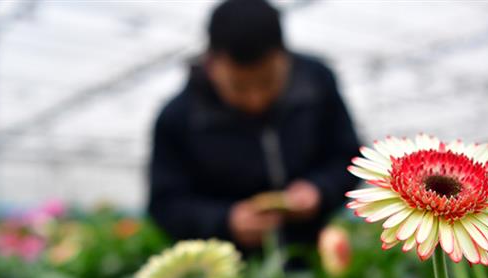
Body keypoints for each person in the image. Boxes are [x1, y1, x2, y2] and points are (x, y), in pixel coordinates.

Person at [147, 0, 359, 252]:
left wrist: (319, 189)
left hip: (313, 253)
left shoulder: (317, 83)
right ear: (212, 65)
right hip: (228, 263)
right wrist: (225, 221)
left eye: (267, 82)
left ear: (284, 58)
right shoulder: (178, 118)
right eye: (239, 87)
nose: (255, 99)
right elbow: (165, 205)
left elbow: (350, 157)